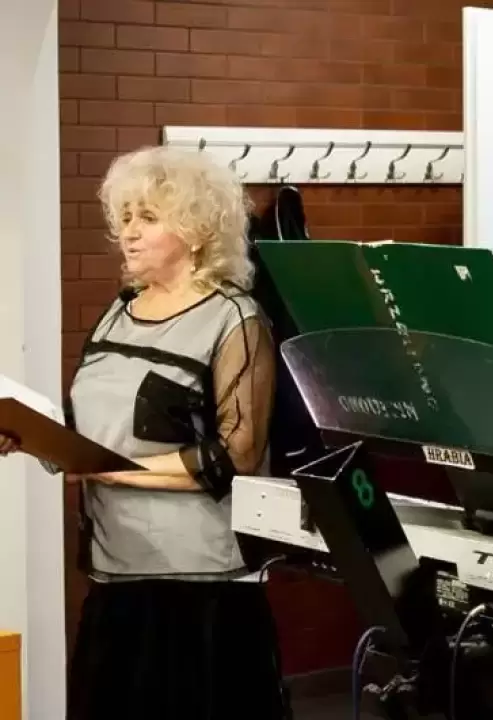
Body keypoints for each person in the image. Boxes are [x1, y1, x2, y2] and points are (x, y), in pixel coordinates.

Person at [0, 145, 288, 719]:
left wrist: (114, 471)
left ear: (197, 230)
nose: (128, 233)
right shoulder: (120, 310)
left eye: (148, 218)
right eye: (125, 216)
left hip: (200, 587)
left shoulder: (235, 318)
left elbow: (237, 455)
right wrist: (30, 435)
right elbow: (94, 427)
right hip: (115, 575)